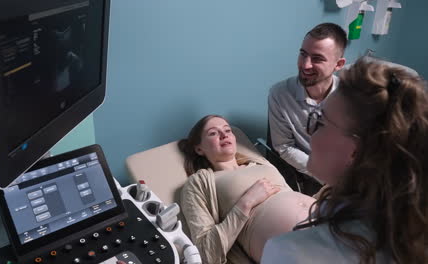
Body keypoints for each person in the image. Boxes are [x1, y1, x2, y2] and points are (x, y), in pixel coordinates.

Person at [261, 58, 428, 263]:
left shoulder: (291, 253)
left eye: (320, 121)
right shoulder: (409, 225)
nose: (308, 130)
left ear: (356, 152)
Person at [178, 115, 317, 263]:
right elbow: (207, 253)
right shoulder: (198, 183)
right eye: (213, 133)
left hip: (326, 223)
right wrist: (246, 202)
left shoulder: (259, 163)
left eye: (227, 130)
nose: (224, 134)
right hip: (294, 249)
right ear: (199, 149)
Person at [268, 22, 347, 190]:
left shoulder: (351, 97)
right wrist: (324, 176)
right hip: (309, 173)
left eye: (317, 59)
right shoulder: (280, 94)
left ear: (338, 65)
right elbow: (284, 147)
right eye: (303, 54)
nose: (305, 65)